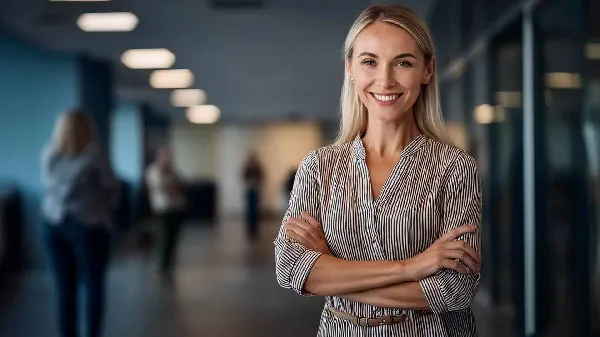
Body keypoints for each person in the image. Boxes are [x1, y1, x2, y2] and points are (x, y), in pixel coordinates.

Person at [274, 4, 482, 336]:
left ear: (427, 70)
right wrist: (412, 267)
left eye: (403, 62)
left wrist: (330, 274)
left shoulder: (455, 168)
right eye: (370, 61)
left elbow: (454, 291)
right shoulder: (319, 168)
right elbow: (289, 268)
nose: (385, 80)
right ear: (350, 68)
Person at [42, 109, 120, 337]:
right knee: (94, 285)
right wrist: (102, 206)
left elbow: (51, 188)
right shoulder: (95, 154)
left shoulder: (49, 154)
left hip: (54, 222)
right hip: (90, 225)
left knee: (65, 288)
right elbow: (112, 187)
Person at [145, 146, 186, 276]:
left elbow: (180, 184)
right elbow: (161, 186)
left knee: (173, 238)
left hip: (176, 208)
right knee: (163, 238)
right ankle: (161, 264)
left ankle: (169, 263)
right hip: (162, 209)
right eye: (165, 156)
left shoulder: (173, 172)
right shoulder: (153, 171)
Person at [242, 152, 264, 240]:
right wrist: (249, 181)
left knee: (255, 209)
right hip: (249, 189)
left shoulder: (258, 168)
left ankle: (255, 229)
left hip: (255, 189)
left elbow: (261, 177)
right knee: (249, 208)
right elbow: (244, 177)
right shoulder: (247, 167)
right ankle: (249, 228)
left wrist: (256, 181)